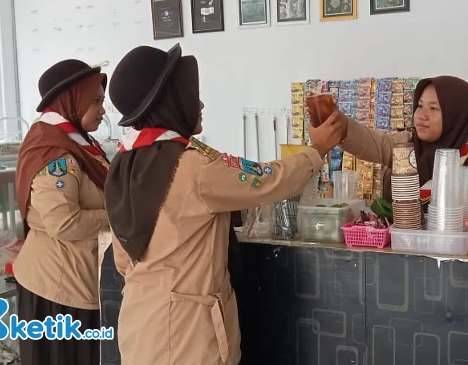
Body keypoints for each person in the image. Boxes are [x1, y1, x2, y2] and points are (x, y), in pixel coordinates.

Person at [104, 43, 342, 365]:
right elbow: (269, 180)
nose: (199, 103)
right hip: (186, 333)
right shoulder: (194, 166)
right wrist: (316, 151)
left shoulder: (124, 163)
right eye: (190, 93)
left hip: (141, 322)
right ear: (170, 100)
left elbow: (123, 258)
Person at [14, 59, 110, 365]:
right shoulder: (54, 152)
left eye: (102, 101)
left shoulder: (79, 143)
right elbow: (64, 223)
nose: (102, 110)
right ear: (71, 100)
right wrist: (122, 215)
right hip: (57, 290)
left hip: (76, 279)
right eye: (95, 101)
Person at [312, 75, 468, 207]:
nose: (421, 116)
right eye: (419, 106)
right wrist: (335, 120)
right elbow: (370, 141)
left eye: (434, 109)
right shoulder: (404, 146)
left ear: (457, 117)